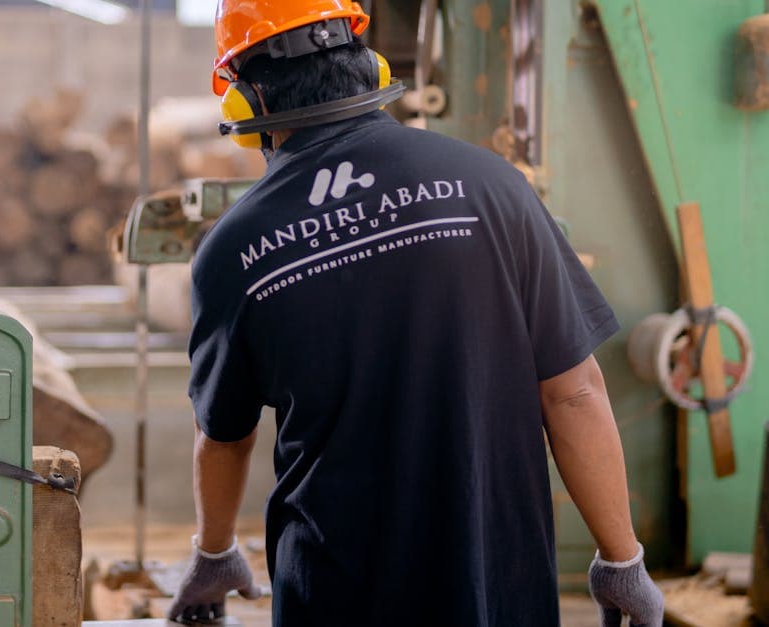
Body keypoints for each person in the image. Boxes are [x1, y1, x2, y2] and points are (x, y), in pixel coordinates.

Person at [167, 1, 665, 625]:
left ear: (245, 102)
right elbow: (574, 394)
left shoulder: (234, 249)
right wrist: (622, 563)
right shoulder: (493, 186)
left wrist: (214, 554)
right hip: (498, 587)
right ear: (367, 66)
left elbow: (225, 437)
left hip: (333, 594)